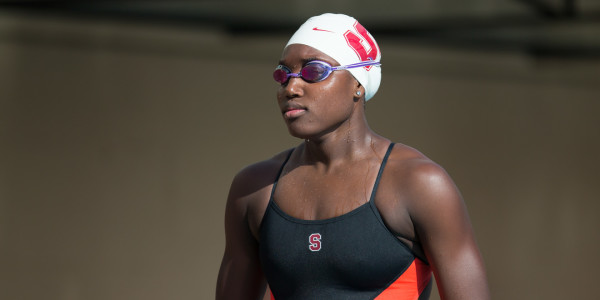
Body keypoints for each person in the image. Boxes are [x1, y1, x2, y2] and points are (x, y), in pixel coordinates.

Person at [216, 13, 490, 300]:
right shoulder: (254, 189)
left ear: (358, 83)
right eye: (283, 75)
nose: (291, 88)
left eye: (314, 71)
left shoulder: (418, 184)